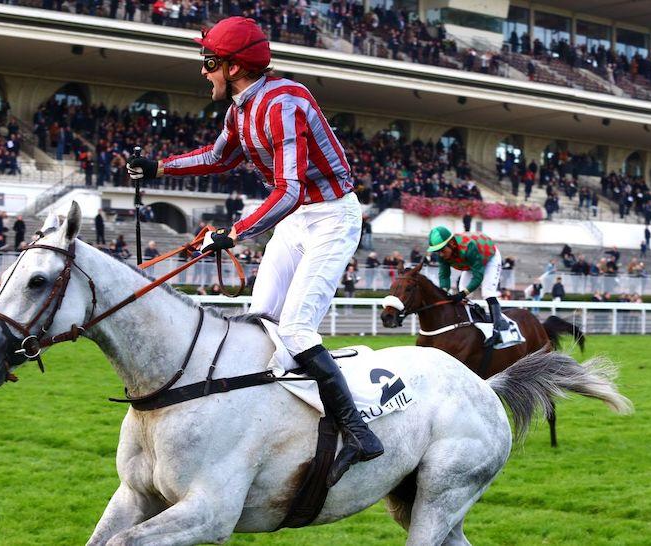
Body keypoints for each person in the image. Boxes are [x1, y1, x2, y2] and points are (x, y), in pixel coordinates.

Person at [126, 16, 382, 485]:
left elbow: (287, 190)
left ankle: (360, 434)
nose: (204, 72)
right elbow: (219, 157)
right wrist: (157, 165)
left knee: (298, 330)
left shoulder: (283, 101)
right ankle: (276, 425)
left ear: (234, 66)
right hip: (298, 218)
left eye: (210, 63)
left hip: (331, 217)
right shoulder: (241, 108)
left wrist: (235, 232)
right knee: (261, 321)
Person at [427, 225, 510, 346]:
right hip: (470, 261)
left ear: (452, 244)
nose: (440, 254)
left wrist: (462, 294)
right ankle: (468, 327)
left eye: (442, 250)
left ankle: (498, 331)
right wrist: (444, 294)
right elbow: (444, 276)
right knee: (463, 294)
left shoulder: (469, 247)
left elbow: (478, 277)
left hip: (488, 257)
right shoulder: (444, 255)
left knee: (487, 292)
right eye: (437, 251)